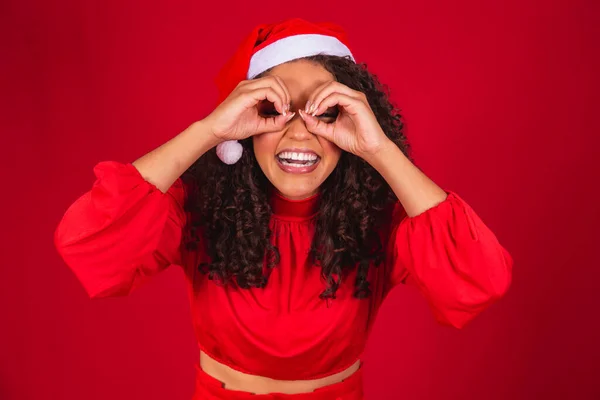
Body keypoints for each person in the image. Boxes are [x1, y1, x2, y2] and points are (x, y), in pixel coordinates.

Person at [54, 18, 513, 400]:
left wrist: (380, 150)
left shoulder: (380, 219)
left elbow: (479, 281)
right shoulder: (200, 208)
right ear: (245, 123)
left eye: (324, 112)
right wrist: (210, 131)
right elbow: (88, 243)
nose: (298, 134)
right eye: (274, 109)